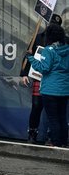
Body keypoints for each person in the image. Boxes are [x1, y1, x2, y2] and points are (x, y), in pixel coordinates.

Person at [20, 13, 63, 143]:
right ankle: (32, 133)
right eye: (52, 25)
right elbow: (28, 55)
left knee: (53, 109)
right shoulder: (37, 38)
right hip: (38, 78)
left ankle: (52, 136)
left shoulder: (63, 42)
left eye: (56, 26)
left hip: (54, 80)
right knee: (36, 106)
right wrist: (23, 74)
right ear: (47, 24)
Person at [27, 22, 69, 147]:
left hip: (50, 90)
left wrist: (31, 58)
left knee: (53, 118)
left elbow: (44, 68)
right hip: (65, 90)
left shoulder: (48, 50)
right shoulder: (67, 49)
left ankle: (55, 143)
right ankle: (64, 142)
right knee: (62, 117)